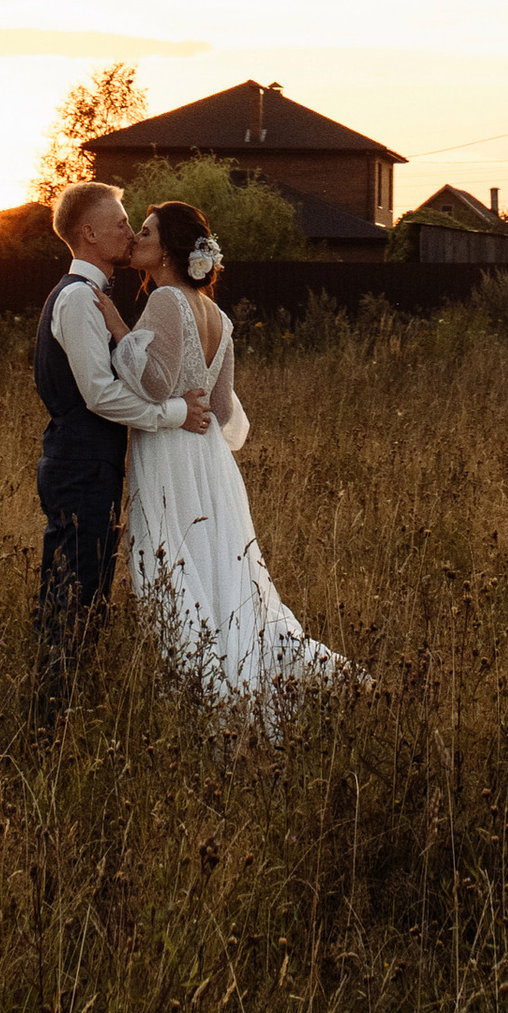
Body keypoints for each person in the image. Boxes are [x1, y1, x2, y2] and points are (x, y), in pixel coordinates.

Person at [100, 198, 353, 718]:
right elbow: (221, 406)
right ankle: (235, 669)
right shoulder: (218, 316)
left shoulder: (166, 301)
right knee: (219, 566)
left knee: (175, 559)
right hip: (211, 459)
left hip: (171, 452)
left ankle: (205, 688)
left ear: (169, 250)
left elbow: (154, 383)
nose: (137, 241)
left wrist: (118, 331)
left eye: (146, 233)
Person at [33, 178, 213, 702]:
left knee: (83, 585)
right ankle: (53, 706)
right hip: (79, 464)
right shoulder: (76, 300)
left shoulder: (91, 297)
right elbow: (100, 395)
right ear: (88, 233)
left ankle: (63, 696)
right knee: (74, 588)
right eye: (120, 224)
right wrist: (173, 413)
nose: (130, 233)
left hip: (90, 463)